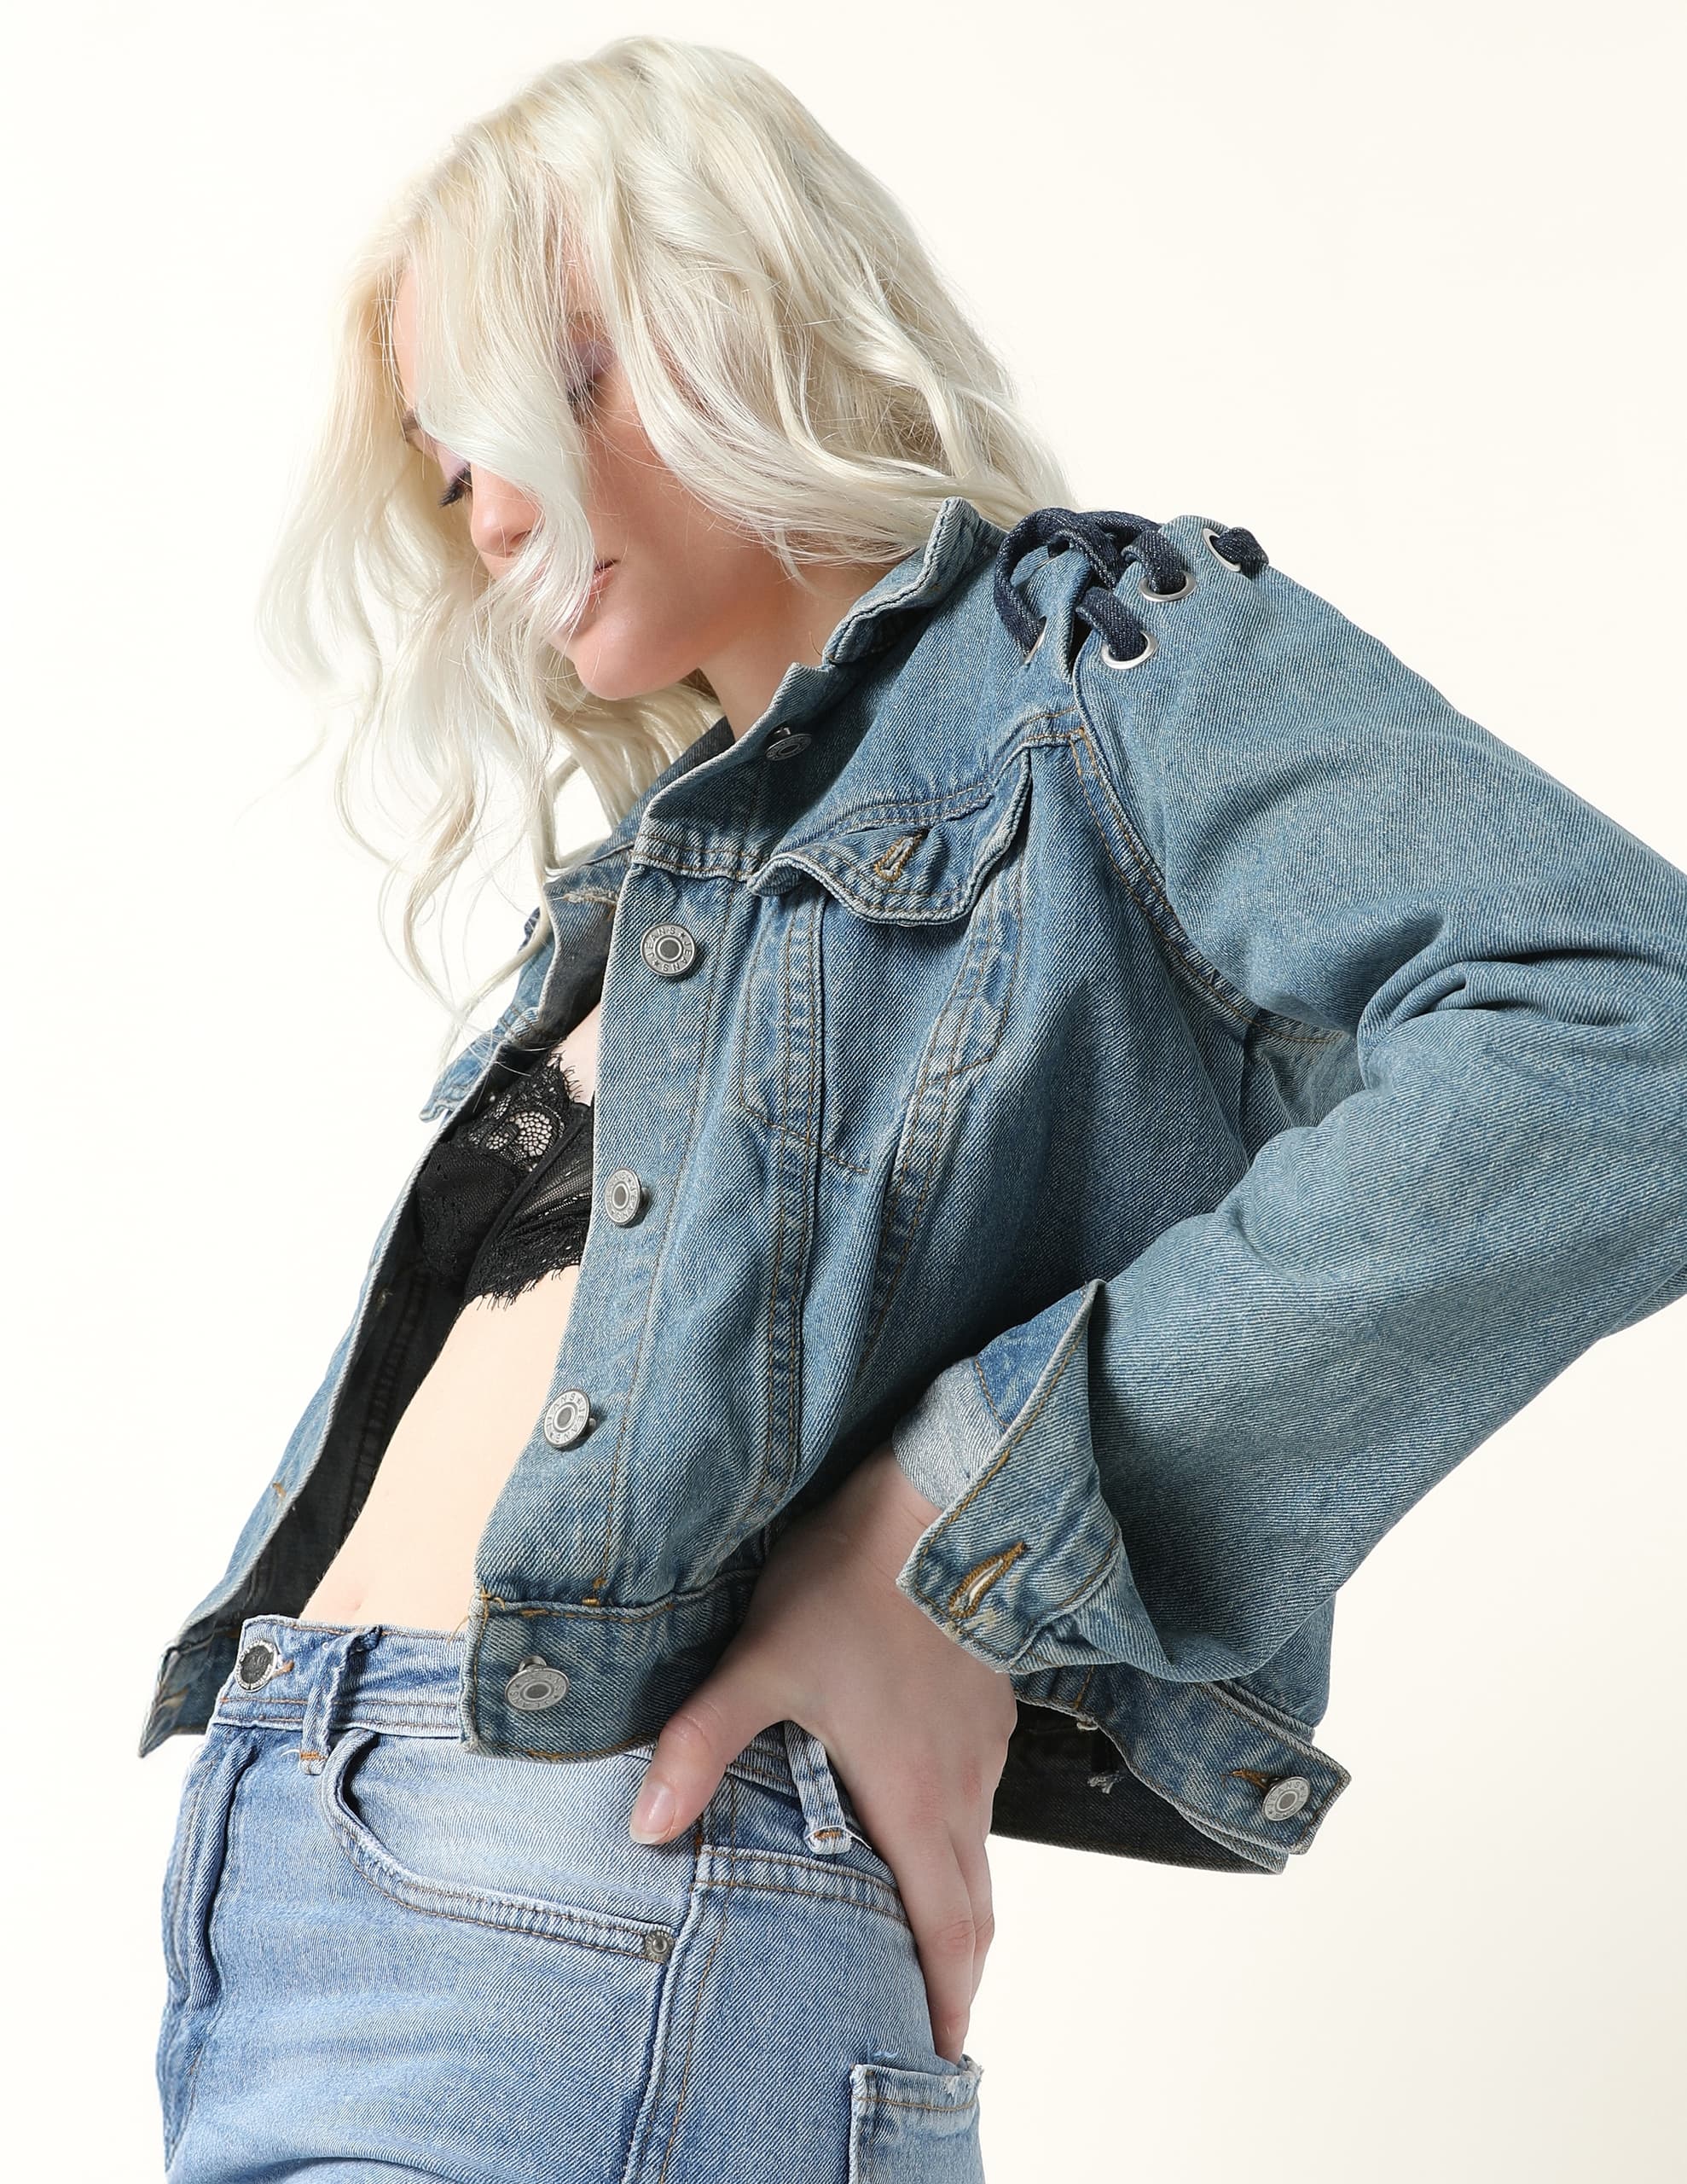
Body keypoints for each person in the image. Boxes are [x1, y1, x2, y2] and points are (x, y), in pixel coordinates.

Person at [143, 33, 1687, 2184]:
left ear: (750, 308)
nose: (489, 504)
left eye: (548, 392)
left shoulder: (1094, 657)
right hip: (304, 1899)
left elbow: (1632, 1032)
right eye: (441, 458)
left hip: (589, 1909)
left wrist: (941, 1543)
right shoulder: (651, 884)